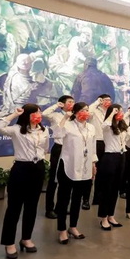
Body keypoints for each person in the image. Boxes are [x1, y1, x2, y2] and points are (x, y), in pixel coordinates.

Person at [0, 104, 48, 259]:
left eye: (39, 112)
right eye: (35, 112)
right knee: (14, 207)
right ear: (27, 115)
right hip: (21, 169)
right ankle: (9, 242)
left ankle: (26, 238)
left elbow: (45, 148)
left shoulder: (44, 130)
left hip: (38, 168)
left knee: (32, 206)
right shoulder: (17, 130)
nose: (38, 115)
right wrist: (14, 114)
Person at [53, 102, 97, 244]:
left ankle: (73, 227)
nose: (86, 113)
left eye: (87, 110)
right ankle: (62, 229)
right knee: (63, 199)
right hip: (68, 166)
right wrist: (65, 118)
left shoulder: (91, 127)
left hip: (84, 167)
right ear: (75, 112)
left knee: (77, 199)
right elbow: (57, 135)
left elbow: (93, 147)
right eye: (83, 110)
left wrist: (93, 163)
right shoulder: (68, 125)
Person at [42, 95, 75, 219]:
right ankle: (49, 209)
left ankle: (61, 207)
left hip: (70, 148)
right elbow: (45, 114)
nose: (72, 104)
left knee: (67, 179)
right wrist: (56, 105)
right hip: (59, 148)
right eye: (69, 102)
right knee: (54, 179)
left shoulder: (74, 117)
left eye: (73, 102)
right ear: (63, 103)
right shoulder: (56, 115)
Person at [98, 103, 127, 230]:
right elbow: (104, 125)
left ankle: (111, 215)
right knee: (107, 188)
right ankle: (103, 217)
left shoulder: (121, 126)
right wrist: (111, 115)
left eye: (120, 111)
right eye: (117, 111)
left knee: (115, 188)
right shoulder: (108, 126)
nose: (120, 113)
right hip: (110, 157)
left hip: (121, 156)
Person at [87, 94, 112, 209]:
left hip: (107, 142)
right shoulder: (94, 110)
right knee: (91, 170)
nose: (108, 102)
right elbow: (88, 113)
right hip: (96, 141)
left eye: (109, 100)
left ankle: (98, 197)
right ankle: (86, 198)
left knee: (102, 171)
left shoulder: (110, 113)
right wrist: (97, 102)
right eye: (105, 100)